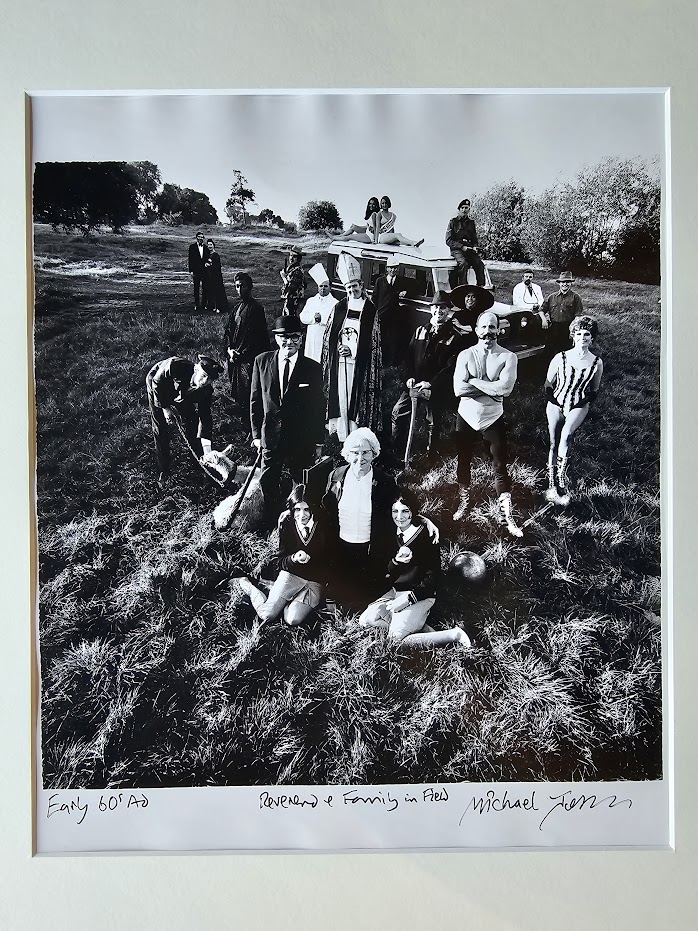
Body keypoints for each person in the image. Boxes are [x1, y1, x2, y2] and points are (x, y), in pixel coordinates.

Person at [322, 428, 439, 610]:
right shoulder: (337, 476)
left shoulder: (385, 481)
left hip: (369, 549)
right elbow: (324, 508)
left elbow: (402, 506)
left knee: (364, 601)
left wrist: (424, 519)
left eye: (366, 453)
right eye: (355, 453)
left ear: (374, 453)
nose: (360, 459)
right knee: (339, 600)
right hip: (341, 547)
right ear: (347, 454)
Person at [358, 491, 471, 649]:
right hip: (396, 591)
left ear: (413, 511)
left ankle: (453, 635)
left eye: (405, 511)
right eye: (395, 511)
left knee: (395, 642)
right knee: (366, 620)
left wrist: (407, 600)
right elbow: (387, 572)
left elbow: (433, 578)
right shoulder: (391, 532)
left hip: (421, 594)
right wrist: (396, 561)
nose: (399, 517)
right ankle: (418, 628)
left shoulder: (427, 535)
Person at [250, 315, 326, 524]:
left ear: (301, 339)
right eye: (284, 337)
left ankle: (297, 522)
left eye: (294, 338)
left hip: (300, 438)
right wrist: (257, 435)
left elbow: (318, 407)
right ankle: (272, 521)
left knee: (300, 482)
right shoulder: (261, 361)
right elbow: (256, 401)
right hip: (270, 437)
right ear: (276, 339)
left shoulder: (312, 368)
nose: (289, 342)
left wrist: (318, 441)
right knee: (268, 481)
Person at [452, 311, 522, 536]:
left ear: (498, 330)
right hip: (466, 415)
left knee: (500, 464)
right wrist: (491, 388)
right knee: (464, 458)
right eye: (483, 327)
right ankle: (464, 500)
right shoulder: (465, 354)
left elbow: (505, 390)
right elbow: (458, 390)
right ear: (476, 329)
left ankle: (506, 513)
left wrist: (471, 380)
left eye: (492, 327)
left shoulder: (508, 357)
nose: (487, 332)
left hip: (493, 417)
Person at [235, 485, 331, 626]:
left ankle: (278, 595)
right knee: (267, 615)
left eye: (306, 509)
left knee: (292, 619)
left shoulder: (323, 525)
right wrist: (293, 559)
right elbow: (279, 561)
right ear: (292, 509)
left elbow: (330, 561)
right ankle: (247, 584)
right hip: (291, 576)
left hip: (313, 582)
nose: (302, 515)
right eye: (297, 509)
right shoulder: (287, 523)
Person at [391, 290, 468, 462]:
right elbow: (408, 357)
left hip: (435, 387)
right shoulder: (420, 331)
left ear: (448, 311)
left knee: (432, 421)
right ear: (430, 309)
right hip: (414, 384)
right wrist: (409, 377)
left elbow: (451, 368)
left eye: (443, 308)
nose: (438, 311)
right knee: (398, 412)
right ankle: (397, 450)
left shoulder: (454, 337)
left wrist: (431, 384)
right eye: (435, 307)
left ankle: (431, 456)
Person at [321, 253, 382, 441]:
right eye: (348, 288)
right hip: (339, 362)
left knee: (354, 396)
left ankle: (354, 430)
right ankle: (339, 431)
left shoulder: (370, 310)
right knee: (339, 394)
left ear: (361, 286)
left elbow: (373, 341)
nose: (352, 291)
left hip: (358, 364)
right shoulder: (339, 307)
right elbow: (330, 335)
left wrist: (353, 351)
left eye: (355, 286)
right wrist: (339, 347)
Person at [544, 315, 603, 504]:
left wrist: (582, 402)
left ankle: (561, 477)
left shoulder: (596, 362)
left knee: (567, 435)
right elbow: (547, 383)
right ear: (573, 336)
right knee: (553, 441)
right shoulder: (560, 357)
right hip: (556, 401)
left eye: (587, 334)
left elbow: (594, 390)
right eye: (579, 334)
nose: (583, 337)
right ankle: (551, 479)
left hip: (578, 403)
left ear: (592, 338)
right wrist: (554, 400)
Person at [145, 354, 224, 485]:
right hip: (159, 387)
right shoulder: (176, 366)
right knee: (161, 428)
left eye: (209, 379)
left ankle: (199, 462)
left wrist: (207, 449)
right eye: (203, 376)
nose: (204, 382)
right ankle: (164, 471)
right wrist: (165, 408)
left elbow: (205, 419)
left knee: (192, 423)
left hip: (183, 395)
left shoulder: (205, 391)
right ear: (196, 369)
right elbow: (157, 382)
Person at [223, 272, 270, 413]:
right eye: (237, 286)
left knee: (248, 384)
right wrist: (229, 349)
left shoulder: (256, 309)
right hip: (235, 354)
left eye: (242, 286)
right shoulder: (236, 309)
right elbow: (228, 332)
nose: (239, 289)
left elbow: (255, 336)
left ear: (249, 287)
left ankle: (249, 411)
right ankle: (239, 404)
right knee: (236, 382)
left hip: (249, 356)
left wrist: (241, 353)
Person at [371, 254, 410, 365]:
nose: (393, 270)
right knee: (381, 337)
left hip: (395, 316)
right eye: (391, 268)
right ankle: (380, 360)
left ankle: (392, 362)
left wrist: (406, 292)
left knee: (394, 339)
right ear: (387, 269)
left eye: (395, 268)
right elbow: (375, 297)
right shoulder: (380, 281)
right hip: (381, 314)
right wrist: (375, 311)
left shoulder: (401, 281)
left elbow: (414, 286)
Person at [539, 271, 584, 356]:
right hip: (553, 328)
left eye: (568, 282)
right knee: (549, 351)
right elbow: (541, 310)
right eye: (563, 282)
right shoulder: (552, 297)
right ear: (559, 283)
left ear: (571, 283)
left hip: (567, 328)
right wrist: (544, 320)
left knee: (566, 352)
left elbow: (578, 316)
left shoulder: (576, 297)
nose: (565, 284)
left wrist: (573, 330)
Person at [300, 263, 337, 363]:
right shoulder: (311, 301)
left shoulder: (335, 303)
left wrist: (321, 319)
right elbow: (302, 317)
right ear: (317, 287)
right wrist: (313, 318)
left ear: (330, 287)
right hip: (312, 335)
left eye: (325, 286)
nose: (323, 288)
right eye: (321, 286)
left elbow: (336, 320)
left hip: (325, 335)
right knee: (310, 359)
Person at [445, 199, 485, 288]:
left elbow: (474, 239)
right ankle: (463, 287)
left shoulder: (471, 223)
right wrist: (462, 247)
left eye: (466, 208)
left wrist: (475, 247)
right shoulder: (453, 222)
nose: (464, 210)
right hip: (457, 250)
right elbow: (448, 240)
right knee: (463, 263)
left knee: (479, 263)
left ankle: (481, 287)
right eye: (462, 208)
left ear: (469, 209)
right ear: (459, 210)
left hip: (469, 250)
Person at [203, 239, 229, 314]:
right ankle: (212, 306)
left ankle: (219, 307)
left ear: (213, 245)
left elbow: (217, 267)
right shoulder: (207, 255)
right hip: (209, 277)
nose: (209, 246)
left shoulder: (216, 255)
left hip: (216, 277)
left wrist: (209, 266)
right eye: (208, 245)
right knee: (211, 292)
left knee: (218, 292)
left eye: (211, 245)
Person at [280, 245, 307, 316]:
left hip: (294, 303)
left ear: (298, 258)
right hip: (290, 301)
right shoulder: (292, 269)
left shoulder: (297, 271)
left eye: (294, 256)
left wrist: (283, 277)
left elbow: (291, 288)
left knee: (290, 321)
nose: (291, 258)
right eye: (290, 255)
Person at [187, 231, 208, 311]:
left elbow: (207, 259)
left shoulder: (205, 248)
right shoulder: (192, 247)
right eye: (199, 237)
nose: (200, 238)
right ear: (196, 237)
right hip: (196, 271)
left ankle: (204, 305)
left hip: (205, 271)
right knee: (196, 288)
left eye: (202, 237)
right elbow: (190, 260)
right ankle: (196, 304)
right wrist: (191, 271)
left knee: (205, 288)